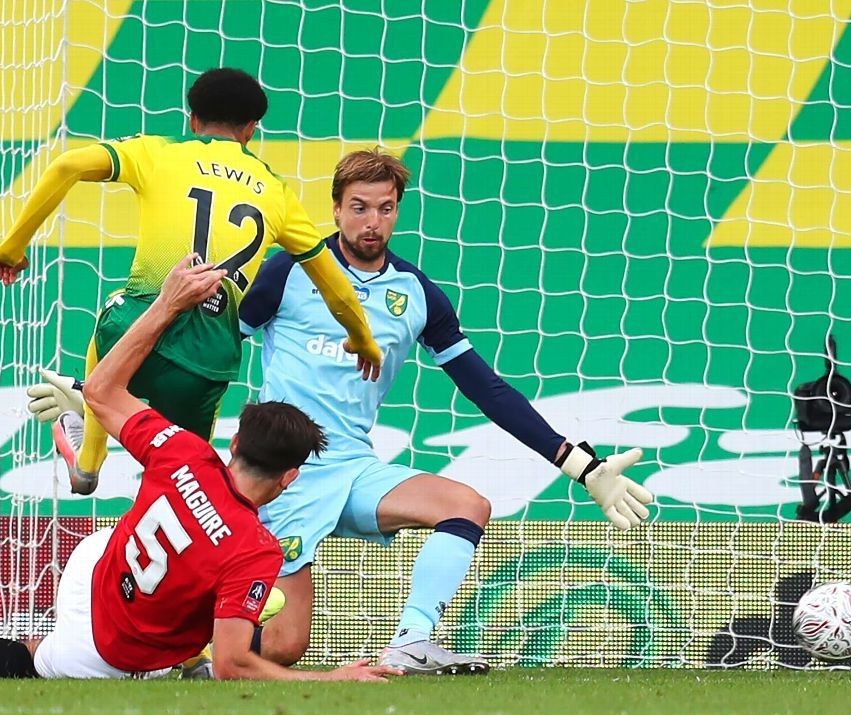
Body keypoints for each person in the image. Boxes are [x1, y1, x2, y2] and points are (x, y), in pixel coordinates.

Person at [0, 256, 400, 682]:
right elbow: (238, 663)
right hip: (110, 643)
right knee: (32, 662)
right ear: (291, 478)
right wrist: (332, 673)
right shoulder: (255, 551)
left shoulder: (185, 451)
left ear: (235, 439)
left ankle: (170, 654)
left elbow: (104, 387)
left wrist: (166, 302)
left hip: (92, 566)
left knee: (130, 591)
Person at [238, 150, 655, 674]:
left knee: (466, 505)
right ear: (337, 209)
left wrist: (579, 465)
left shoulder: (416, 293)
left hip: (353, 466)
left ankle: (410, 643)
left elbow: (487, 389)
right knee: (281, 647)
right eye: (360, 208)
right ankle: (185, 652)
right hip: (284, 473)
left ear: (398, 209)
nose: (372, 223)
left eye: (385, 209)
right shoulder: (288, 272)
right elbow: (221, 348)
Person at [0, 67, 381, 496]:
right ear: (252, 130)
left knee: (114, 311)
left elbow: (67, 165)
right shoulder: (276, 191)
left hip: (135, 332)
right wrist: (362, 338)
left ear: (193, 119)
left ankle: (89, 459)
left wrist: (12, 248)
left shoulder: (159, 152)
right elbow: (333, 283)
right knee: (184, 477)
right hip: (205, 360)